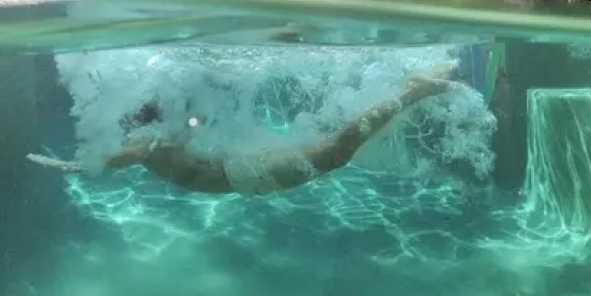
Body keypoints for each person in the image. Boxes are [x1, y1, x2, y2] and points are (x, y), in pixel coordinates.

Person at [28, 62, 463, 196]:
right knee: (333, 148)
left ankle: (412, 91)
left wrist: (70, 165)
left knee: (335, 151)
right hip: (244, 170)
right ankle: (408, 90)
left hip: (245, 174)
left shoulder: (148, 144)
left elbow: (111, 161)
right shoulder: (161, 138)